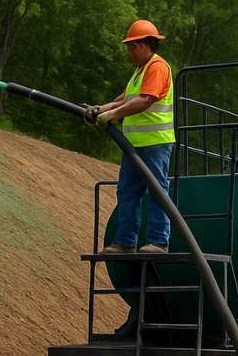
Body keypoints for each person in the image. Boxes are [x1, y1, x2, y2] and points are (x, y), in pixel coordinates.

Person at [85, 19, 175, 255]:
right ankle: (125, 241)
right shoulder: (139, 72)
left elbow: (145, 100)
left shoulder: (157, 67)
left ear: (144, 45)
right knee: (127, 190)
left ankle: (158, 242)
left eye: (131, 46)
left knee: (157, 189)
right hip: (134, 145)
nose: (128, 52)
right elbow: (123, 99)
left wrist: (112, 114)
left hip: (155, 143)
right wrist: (101, 109)